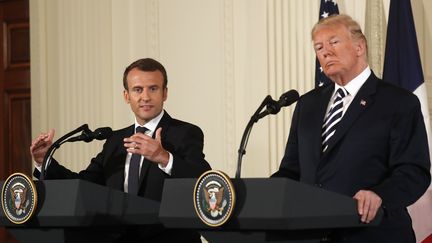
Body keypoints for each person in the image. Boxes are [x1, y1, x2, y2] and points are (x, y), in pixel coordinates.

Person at [272, 14, 431, 243]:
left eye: (333, 42)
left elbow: (413, 172)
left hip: (372, 235)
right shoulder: (307, 105)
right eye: (318, 47)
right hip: (312, 235)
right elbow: (291, 172)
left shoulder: (398, 103)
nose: (325, 51)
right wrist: (261, 194)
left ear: (359, 46)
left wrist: (380, 196)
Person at [30, 58, 211, 242]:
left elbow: (204, 181)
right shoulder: (115, 141)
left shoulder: (186, 133)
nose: (145, 97)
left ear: (165, 93)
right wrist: (45, 161)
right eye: (138, 89)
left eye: (153, 89)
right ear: (126, 96)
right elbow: (83, 185)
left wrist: (164, 157)